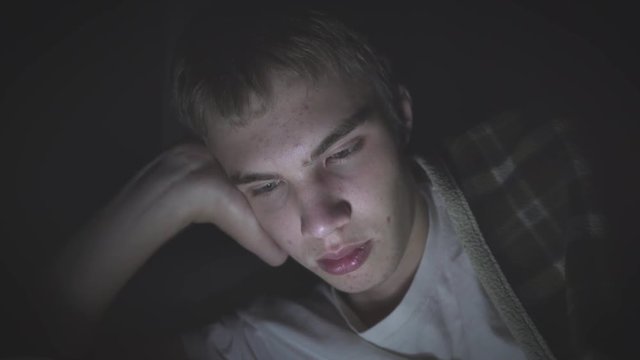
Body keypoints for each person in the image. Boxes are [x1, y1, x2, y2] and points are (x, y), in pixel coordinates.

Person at [38, 8, 620, 360]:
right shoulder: (264, 344)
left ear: (401, 116)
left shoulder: (558, 171)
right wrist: (168, 190)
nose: (318, 221)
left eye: (341, 151)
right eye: (266, 187)